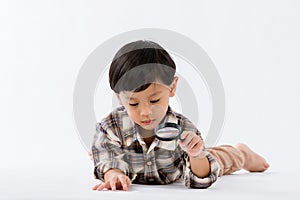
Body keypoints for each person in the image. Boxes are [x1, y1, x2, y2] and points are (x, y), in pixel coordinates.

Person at [90, 40, 269, 191]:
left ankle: (242, 154)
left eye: (154, 101)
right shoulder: (111, 126)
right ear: (120, 98)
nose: (145, 112)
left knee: (216, 158)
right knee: (101, 152)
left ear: (172, 87)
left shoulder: (183, 129)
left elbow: (200, 178)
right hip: (131, 165)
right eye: (133, 103)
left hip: (178, 170)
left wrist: (196, 155)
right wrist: (113, 173)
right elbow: (105, 156)